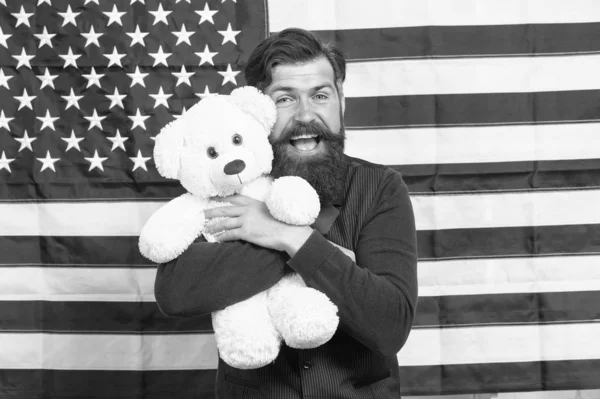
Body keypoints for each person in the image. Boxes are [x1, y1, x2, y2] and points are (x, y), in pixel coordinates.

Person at [154, 27, 418, 398]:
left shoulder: (380, 188)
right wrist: (330, 261)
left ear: (340, 100)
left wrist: (290, 236)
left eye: (320, 95)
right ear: (257, 110)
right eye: (285, 99)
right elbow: (176, 294)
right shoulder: (224, 186)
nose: (306, 114)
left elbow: (390, 325)